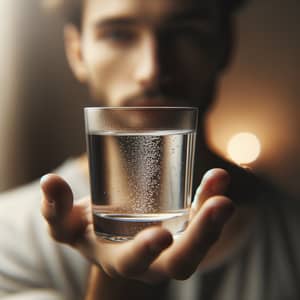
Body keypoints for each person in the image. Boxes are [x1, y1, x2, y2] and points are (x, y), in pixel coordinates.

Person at [0, 0, 299, 299]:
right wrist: (115, 279)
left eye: (185, 32)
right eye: (118, 34)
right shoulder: (8, 235)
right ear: (77, 52)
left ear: (224, 43)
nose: (151, 71)